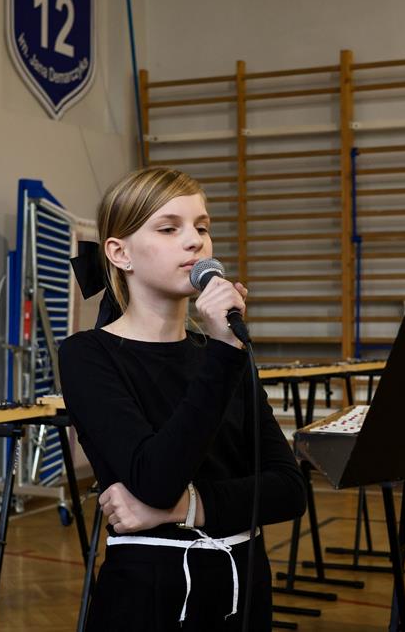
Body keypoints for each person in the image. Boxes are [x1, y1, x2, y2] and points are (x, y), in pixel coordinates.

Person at [59, 167, 307, 632]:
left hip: (243, 591)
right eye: (169, 228)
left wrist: (183, 508)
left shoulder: (224, 355)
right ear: (120, 253)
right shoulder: (88, 355)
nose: (195, 241)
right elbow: (154, 478)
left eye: (202, 227)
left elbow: (288, 491)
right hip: (151, 597)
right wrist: (222, 354)